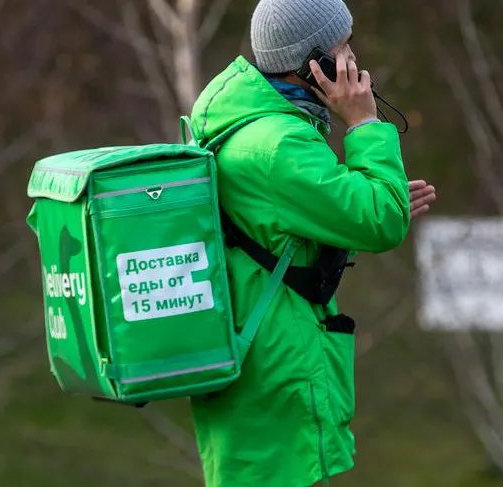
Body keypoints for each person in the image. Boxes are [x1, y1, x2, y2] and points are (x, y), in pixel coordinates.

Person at [187, 0, 436, 485]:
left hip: (258, 364)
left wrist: (352, 205)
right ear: (313, 65)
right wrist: (364, 124)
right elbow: (382, 222)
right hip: (278, 374)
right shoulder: (278, 144)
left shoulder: (246, 123)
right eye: (343, 49)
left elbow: (275, 231)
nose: (355, 63)